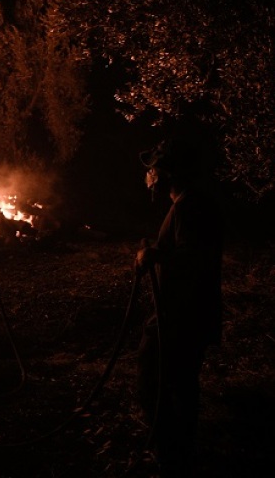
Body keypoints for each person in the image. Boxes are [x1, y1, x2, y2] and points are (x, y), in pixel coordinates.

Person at [134, 137, 224, 477]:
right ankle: (178, 453)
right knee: (181, 384)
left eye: (152, 169)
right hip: (187, 313)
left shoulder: (189, 207)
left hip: (180, 316)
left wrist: (154, 254)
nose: (148, 175)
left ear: (167, 172)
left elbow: (193, 258)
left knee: (155, 382)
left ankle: (171, 456)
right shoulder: (188, 204)